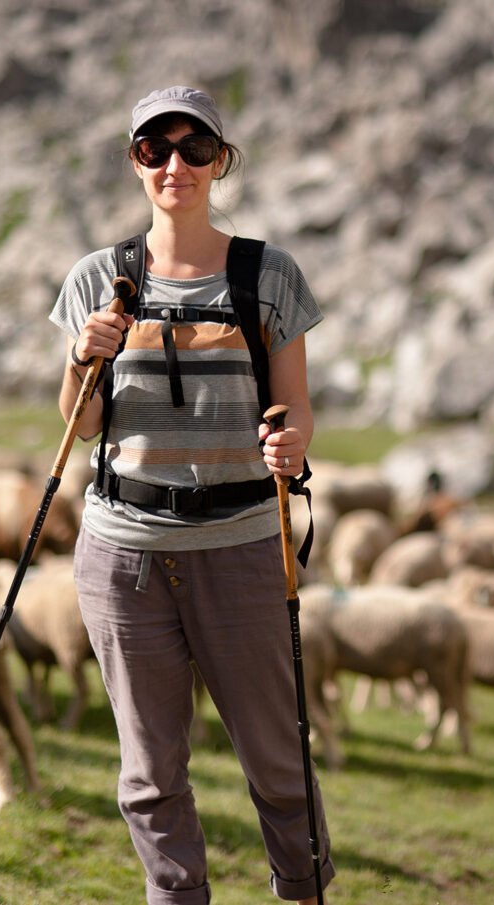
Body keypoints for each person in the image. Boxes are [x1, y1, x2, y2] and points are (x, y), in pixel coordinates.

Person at [48, 85, 333, 905]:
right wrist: (81, 356)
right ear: (136, 163)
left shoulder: (268, 273)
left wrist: (292, 439)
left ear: (220, 160)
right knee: (148, 772)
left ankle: (302, 892)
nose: (175, 164)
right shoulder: (98, 278)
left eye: (194, 148)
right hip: (124, 553)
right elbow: (83, 421)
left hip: (242, 542)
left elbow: (295, 404)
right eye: (154, 149)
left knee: (279, 759)